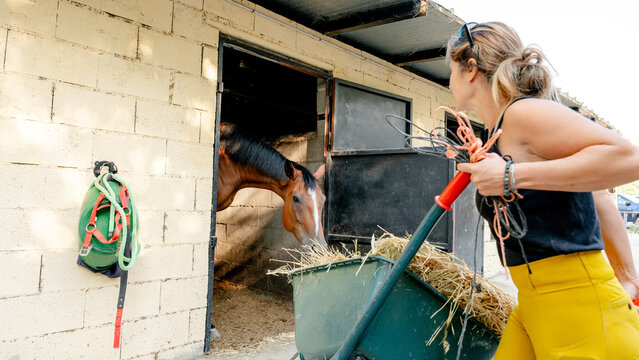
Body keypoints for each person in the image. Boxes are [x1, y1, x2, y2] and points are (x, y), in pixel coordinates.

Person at [449, 22, 639, 359]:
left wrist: (511, 175)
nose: (448, 79)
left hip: (577, 304)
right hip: (534, 302)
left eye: (450, 69)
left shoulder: (523, 113)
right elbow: (596, 196)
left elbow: (629, 158)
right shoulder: (498, 131)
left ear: (471, 70)